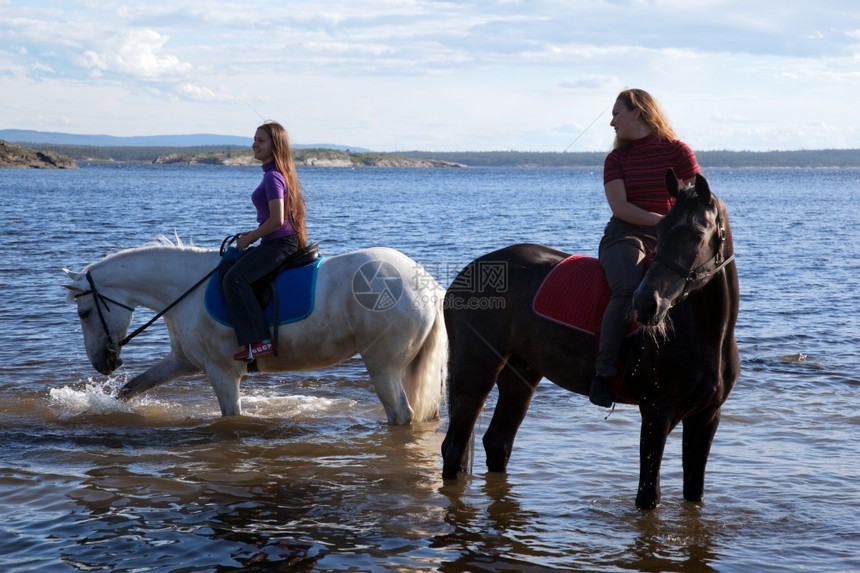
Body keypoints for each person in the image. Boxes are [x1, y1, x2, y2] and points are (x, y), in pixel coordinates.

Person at [590, 89, 701, 407]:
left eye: (616, 113)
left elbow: (697, 199)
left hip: (670, 241)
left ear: (638, 111)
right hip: (625, 237)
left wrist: (681, 230)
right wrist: (664, 222)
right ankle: (603, 373)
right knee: (626, 289)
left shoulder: (678, 151)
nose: (611, 122)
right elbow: (620, 208)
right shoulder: (616, 159)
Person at [224, 120, 308, 361]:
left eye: (261, 141)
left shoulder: (273, 177)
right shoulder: (277, 174)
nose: (254, 145)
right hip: (277, 241)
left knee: (235, 279)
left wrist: (248, 239)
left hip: (280, 243)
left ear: (275, 145)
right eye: (254, 140)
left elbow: (277, 221)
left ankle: (259, 341)